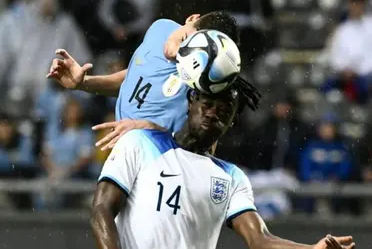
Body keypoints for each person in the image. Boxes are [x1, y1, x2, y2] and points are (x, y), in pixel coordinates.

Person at [90, 86, 355, 249]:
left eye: (223, 111)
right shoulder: (140, 141)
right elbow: (101, 208)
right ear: (191, 101)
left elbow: (259, 239)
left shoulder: (231, 177)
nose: (212, 114)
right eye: (207, 104)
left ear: (230, 123)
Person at [46, 11, 259, 151]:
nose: (178, 52)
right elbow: (134, 76)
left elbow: (202, 153)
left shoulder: (204, 89)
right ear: (191, 19)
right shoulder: (160, 28)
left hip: (158, 174)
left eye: (192, 57)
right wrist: (84, 83)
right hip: (120, 156)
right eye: (186, 40)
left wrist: (149, 130)